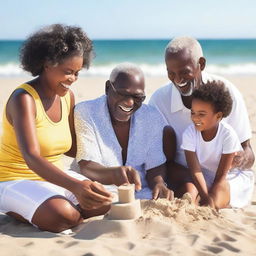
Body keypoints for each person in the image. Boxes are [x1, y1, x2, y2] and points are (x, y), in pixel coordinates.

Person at [0, 24, 113, 233]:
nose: (72, 79)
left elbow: (72, 148)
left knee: (106, 200)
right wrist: (76, 187)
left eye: (77, 73)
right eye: (67, 72)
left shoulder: (66, 97)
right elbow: (32, 157)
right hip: (13, 179)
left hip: (52, 177)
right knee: (64, 215)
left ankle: (60, 210)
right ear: (46, 64)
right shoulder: (23, 99)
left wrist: (111, 161)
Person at [149, 36, 255, 200]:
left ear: (201, 64)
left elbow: (248, 152)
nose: (178, 80)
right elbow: (155, 155)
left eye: (185, 72)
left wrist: (241, 159)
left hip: (227, 177)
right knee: (189, 190)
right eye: (171, 73)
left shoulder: (227, 92)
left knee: (219, 193)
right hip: (184, 174)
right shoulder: (159, 100)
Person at [74, 63, 175, 200]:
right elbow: (87, 166)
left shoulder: (151, 116)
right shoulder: (86, 112)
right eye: (123, 94)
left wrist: (159, 183)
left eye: (137, 97)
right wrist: (114, 174)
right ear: (108, 88)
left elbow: (155, 165)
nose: (129, 103)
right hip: (99, 188)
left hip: (140, 192)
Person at [181, 81, 254, 209]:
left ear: (218, 116)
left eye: (201, 114)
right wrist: (204, 195)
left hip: (228, 176)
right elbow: (195, 170)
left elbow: (221, 176)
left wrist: (209, 198)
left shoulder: (228, 134)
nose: (195, 118)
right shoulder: (189, 133)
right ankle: (193, 205)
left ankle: (211, 206)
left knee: (219, 190)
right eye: (193, 112)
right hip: (203, 174)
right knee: (189, 187)